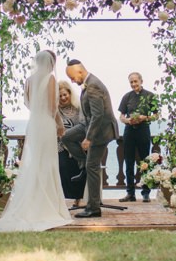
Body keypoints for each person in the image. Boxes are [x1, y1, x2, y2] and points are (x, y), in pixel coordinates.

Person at [0, 51, 73, 232]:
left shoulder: (29, 81)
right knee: (47, 163)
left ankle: (32, 203)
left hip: (34, 124)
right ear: (50, 64)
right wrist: (60, 125)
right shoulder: (50, 79)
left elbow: (28, 103)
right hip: (46, 124)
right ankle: (47, 206)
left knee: (34, 163)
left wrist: (38, 112)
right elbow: (53, 107)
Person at [62, 59, 117, 218]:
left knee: (92, 166)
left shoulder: (93, 85)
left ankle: (93, 208)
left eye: (72, 77)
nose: (72, 81)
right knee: (66, 137)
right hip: (87, 125)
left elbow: (98, 115)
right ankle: (82, 164)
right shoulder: (88, 83)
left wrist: (89, 138)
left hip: (100, 131)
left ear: (79, 72)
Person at [116, 72, 156, 203]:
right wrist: (127, 120)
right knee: (128, 162)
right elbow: (121, 116)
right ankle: (130, 193)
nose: (133, 84)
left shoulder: (150, 96)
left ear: (141, 81)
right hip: (129, 131)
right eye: (131, 82)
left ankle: (145, 193)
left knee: (145, 162)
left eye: (135, 81)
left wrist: (145, 117)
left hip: (143, 130)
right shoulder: (127, 97)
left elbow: (156, 115)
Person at [57, 83, 85, 207]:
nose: (63, 98)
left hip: (77, 145)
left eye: (65, 95)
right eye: (60, 96)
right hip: (61, 146)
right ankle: (65, 198)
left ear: (69, 94)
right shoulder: (55, 111)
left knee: (78, 169)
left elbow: (83, 126)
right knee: (62, 168)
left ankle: (78, 198)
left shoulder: (78, 108)